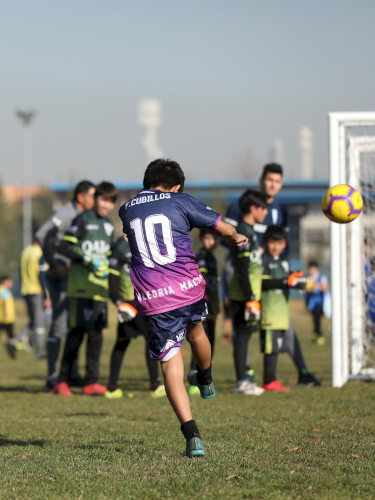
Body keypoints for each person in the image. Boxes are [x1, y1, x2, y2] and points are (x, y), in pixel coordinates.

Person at [119, 159, 247, 458]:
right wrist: (236, 236)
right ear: (176, 186)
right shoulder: (181, 200)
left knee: (170, 363)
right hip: (188, 287)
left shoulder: (126, 209)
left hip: (155, 296)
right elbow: (221, 226)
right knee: (197, 332)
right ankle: (205, 376)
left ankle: (192, 435)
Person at [224, 163, 320, 387]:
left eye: (277, 181)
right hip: (245, 270)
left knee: (281, 321)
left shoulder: (280, 212)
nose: (272, 185)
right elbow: (227, 240)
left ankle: (302, 371)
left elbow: (281, 248)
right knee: (245, 325)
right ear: (261, 181)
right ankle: (245, 375)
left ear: (281, 184)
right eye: (269, 180)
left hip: (268, 273)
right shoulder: (240, 207)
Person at [53, 181, 118, 396]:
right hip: (80, 288)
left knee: (97, 335)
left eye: (110, 202)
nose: (106, 205)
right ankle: (63, 381)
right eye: (103, 199)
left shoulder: (109, 226)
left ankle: (91, 381)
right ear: (95, 198)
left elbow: (109, 254)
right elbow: (64, 246)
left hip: (100, 288)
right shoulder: (82, 219)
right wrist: (86, 259)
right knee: (76, 333)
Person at [35, 180, 96, 392]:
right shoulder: (66, 213)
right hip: (60, 277)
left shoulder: (84, 217)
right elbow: (42, 234)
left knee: (74, 324)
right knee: (60, 326)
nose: (95, 200)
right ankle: (52, 378)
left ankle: (72, 375)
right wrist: (54, 263)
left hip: (75, 278)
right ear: (81, 197)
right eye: (92, 195)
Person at [105, 234, 165, 399]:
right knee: (147, 341)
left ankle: (112, 387)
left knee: (125, 342)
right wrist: (119, 303)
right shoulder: (120, 248)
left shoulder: (146, 243)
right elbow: (113, 279)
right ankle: (155, 385)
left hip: (146, 302)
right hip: (130, 304)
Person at [229, 189, 268, 395]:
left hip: (249, 295)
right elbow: (242, 268)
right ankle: (242, 382)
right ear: (254, 209)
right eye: (264, 208)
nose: (266, 213)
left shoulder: (251, 231)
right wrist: (250, 297)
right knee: (242, 338)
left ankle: (244, 380)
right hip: (243, 295)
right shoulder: (243, 231)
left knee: (245, 337)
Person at [260, 226, 307, 392]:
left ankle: (274, 379)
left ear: (284, 243)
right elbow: (262, 283)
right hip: (269, 312)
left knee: (277, 347)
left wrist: (300, 283)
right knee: (271, 348)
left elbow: (291, 279)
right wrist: (285, 282)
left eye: (279, 243)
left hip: (282, 314)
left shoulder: (285, 262)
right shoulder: (263, 260)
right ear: (265, 242)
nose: (275, 246)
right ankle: (269, 380)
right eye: (272, 242)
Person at [187, 229, 221, 396]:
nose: (211, 242)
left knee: (210, 347)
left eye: (214, 238)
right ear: (201, 239)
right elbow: (200, 282)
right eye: (207, 238)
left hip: (212, 309)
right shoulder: (200, 256)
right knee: (200, 346)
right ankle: (195, 381)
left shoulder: (212, 258)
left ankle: (205, 381)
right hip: (202, 308)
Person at [19, 239, 50, 359]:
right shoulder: (39, 253)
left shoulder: (26, 251)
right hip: (37, 291)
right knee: (40, 324)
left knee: (35, 322)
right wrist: (46, 296)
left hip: (26, 290)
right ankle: (39, 352)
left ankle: (20, 338)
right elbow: (42, 275)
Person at [0, 275, 17, 358]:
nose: (11, 283)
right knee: (11, 334)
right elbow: (5, 301)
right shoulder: (4, 290)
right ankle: (12, 348)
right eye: (9, 281)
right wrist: (6, 313)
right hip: (6, 317)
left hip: (0, 317)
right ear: (4, 281)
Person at [305, 261, 328, 345]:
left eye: (312, 269)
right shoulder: (308, 278)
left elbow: (325, 289)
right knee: (314, 320)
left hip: (319, 303)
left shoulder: (321, 277)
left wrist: (316, 285)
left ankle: (320, 335)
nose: (310, 271)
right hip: (311, 303)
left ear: (316, 269)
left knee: (318, 319)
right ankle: (315, 335)